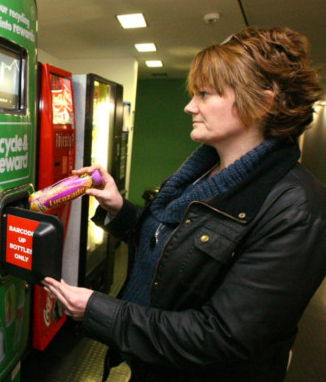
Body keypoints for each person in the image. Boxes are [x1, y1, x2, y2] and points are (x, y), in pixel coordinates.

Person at [43, 26, 325, 382]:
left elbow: (222, 337)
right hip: (152, 366)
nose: (189, 105)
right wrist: (119, 208)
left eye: (205, 94)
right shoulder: (204, 170)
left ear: (264, 101)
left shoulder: (298, 208)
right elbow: (173, 247)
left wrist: (97, 309)